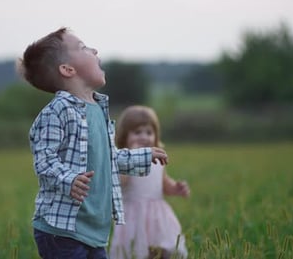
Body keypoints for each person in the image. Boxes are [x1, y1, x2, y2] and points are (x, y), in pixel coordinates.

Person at [17, 27, 169, 259]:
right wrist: (69, 179)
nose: (94, 49)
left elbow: (107, 158)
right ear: (68, 69)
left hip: (94, 231)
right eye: (83, 47)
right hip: (62, 230)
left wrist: (142, 155)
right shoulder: (57, 111)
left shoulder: (97, 109)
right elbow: (44, 160)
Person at [109, 106, 190, 259]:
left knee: (162, 250)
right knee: (137, 252)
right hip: (134, 216)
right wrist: (132, 158)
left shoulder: (157, 161)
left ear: (156, 135)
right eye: (137, 132)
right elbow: (121, 182)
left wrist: (176, 188)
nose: (144, 137)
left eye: (149, 132)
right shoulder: (123, 162)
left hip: (157, 216)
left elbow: (164, 184)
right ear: (124, 137)